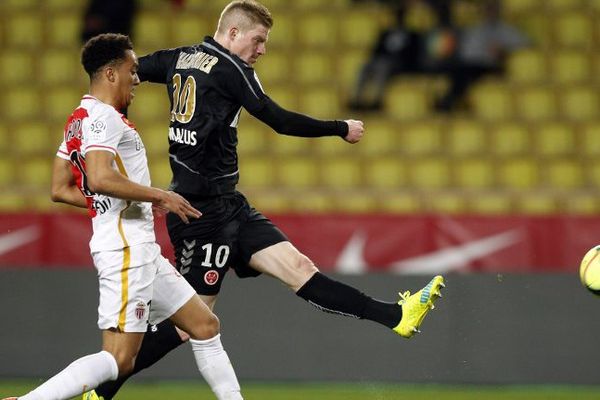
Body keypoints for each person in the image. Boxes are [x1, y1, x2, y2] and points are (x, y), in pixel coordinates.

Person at [87, 1, 446, 399]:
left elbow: (132, 70)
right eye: (258, 40)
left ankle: (397, 315)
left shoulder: (180, 57)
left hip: (230, 205)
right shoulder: (232, 69)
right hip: (199, 214)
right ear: (234, 32)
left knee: (298, 267)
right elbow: (279, 120)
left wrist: (101, 95)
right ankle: (100, 390)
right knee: (190, 325)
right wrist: (338, 127)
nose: (262, 50)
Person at [2, 33, 243, 400]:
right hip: (127, 249)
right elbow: (98, 177)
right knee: (119, 360)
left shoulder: (79, 119)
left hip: (141, 249)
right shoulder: (104, 118)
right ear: (111, 74)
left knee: (205, 325)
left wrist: (115, 203)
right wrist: (159, 195)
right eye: (132, 71)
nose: (137, 79)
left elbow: (61, 187)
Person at [434, 0, 529, 112]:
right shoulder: (475, 29)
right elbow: (466, 51)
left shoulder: (506, 30)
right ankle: (455, 101)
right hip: (471, 64)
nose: (490, 12)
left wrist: (504, 50)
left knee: (461, 73)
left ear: (498, 11)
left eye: (492, 9)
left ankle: (449, 101)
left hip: (491, 65)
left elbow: (526, 45)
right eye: (488, 9)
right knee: (457, 71)